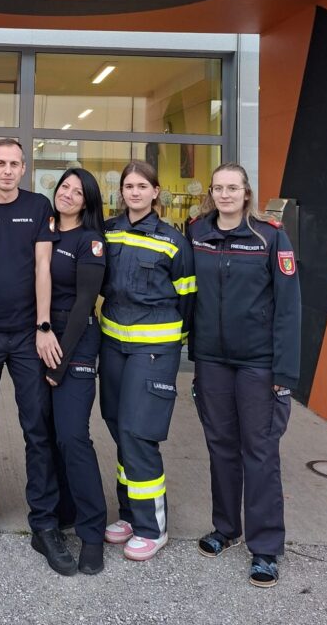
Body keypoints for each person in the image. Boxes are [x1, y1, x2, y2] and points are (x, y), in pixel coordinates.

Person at [0, 138, 77, 576]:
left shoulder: (38, 206)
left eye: (14, 164)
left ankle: (44, 521)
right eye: (0, 163)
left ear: (24, 168)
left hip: (26, 336)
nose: (7, 170)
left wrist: (43, 326)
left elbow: (43, 266)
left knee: (37, 429)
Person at [188, 162, 300, 589]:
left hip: (258, 363)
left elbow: (288, 308)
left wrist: (284, 371)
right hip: (211, 360)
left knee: (260, 451)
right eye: (218, 188)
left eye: (232, 188)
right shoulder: (197, 234)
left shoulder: (270, 237)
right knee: (220, 446)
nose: (225, 195)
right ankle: (225, 528)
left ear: (246, 192)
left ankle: (265, 548)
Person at [99, 159, 196, 561]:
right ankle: (128, 514)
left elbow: (187, 298)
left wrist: (171, 343)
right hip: (113, 344)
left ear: (156, 192)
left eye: (142, 186)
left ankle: (152, 528)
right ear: (121, 192)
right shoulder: (109, 231)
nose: (135, 192)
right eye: (129, 186)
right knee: (118, 425)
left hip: (153, 349)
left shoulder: (173, 241)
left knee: (138, 432)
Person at [45, 168, 108, 575]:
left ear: (87, 202)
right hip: (41, 336)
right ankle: (63, 510)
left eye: (77, 191)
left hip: (75, 340)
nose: (68, 194)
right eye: (64, 186)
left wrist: (60, 362)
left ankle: (92, 531)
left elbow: (85, 301)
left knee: (72, 435)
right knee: (49, 435)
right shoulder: (45, 230)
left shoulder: (90, 240)